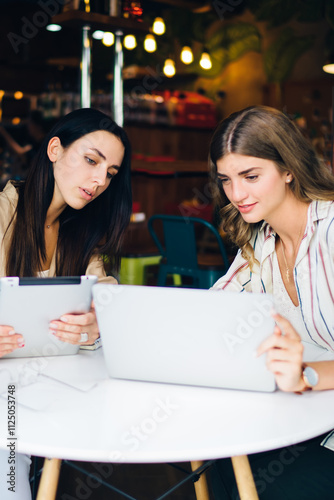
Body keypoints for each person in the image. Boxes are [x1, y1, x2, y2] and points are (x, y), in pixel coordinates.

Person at [0, 107, 132, 499]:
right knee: (10, 466)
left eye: (110, 173)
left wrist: (96, 322)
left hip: (43, 386)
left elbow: (109, 299)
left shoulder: (80, 233)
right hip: (11, 394)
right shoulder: (6, 211)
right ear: (54, 149)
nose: (98, 180)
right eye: (91, 160)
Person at [208, 105, 334, 500]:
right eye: (226, 180)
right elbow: (210, 311)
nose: (237, 194)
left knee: (271, 486)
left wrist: (306, 376)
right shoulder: (260, 241)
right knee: (221, 465)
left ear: (288, 168)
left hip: (320, 423)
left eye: (251, 176)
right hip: (302, 417)